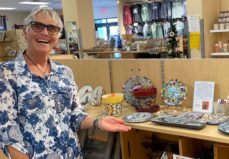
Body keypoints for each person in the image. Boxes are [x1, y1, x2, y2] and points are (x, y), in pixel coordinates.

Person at [0, 6, 131, 159]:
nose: (44, 32)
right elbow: (7, 131)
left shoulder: (64, 73)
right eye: (37, 26)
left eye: (52, 28)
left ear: (57, 37)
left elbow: (75, 115)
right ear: (25, 32)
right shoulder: (7, 73)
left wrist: (98, 122)